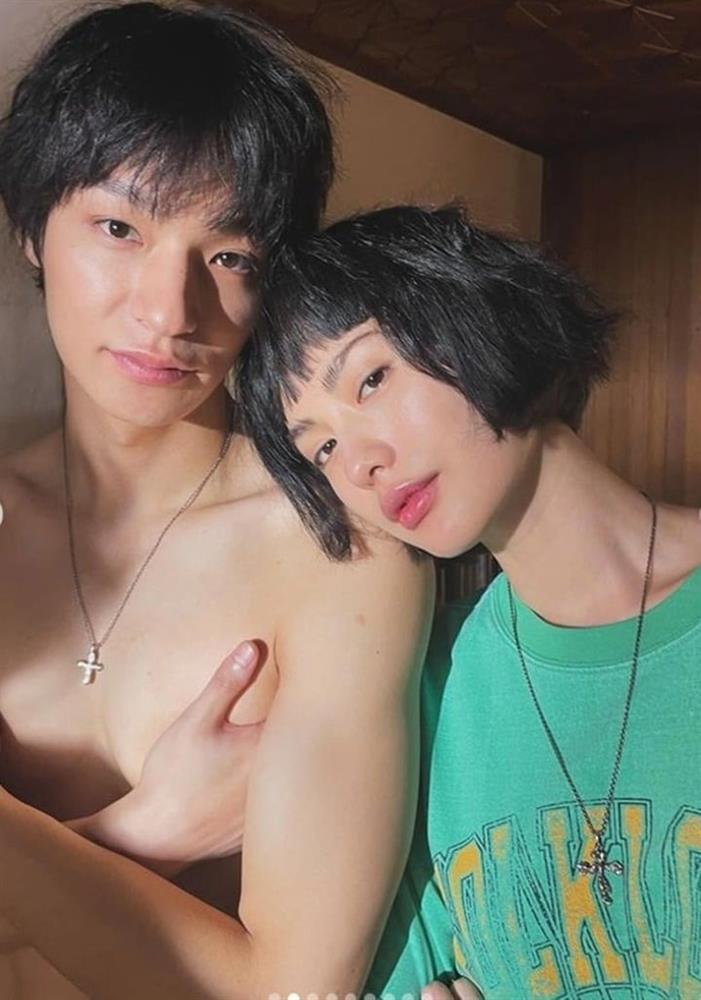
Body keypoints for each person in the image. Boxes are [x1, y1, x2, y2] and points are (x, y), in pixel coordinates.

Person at [0, 6, 434, 998]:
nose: (170, 312)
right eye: (119, 229)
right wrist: (144, 830)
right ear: (31, 230)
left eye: (229, 255)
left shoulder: (336, 549)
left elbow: (295, 985)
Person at [238, 203, 701, 999]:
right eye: (322, 448)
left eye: (371, 379)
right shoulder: (425, 691)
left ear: (479, 316)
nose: (358, 465)